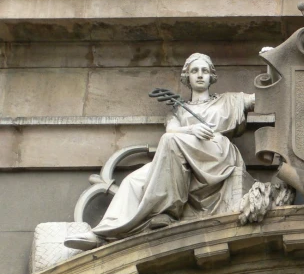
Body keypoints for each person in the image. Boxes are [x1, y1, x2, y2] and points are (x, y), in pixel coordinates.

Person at [92, 53, 255, 239]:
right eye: (195, 71)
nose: (200, 75)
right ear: (187, 77)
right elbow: (171, 131)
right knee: (133, 181)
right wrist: (192, 129)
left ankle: (166, 211)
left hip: (215, 154)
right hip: (181, 156)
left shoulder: (229, 100)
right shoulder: (178, 109)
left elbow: (268, 96)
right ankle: (104, 230)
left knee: (170, 141)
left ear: (212, 76)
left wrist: (272, 64)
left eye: (204, 71)